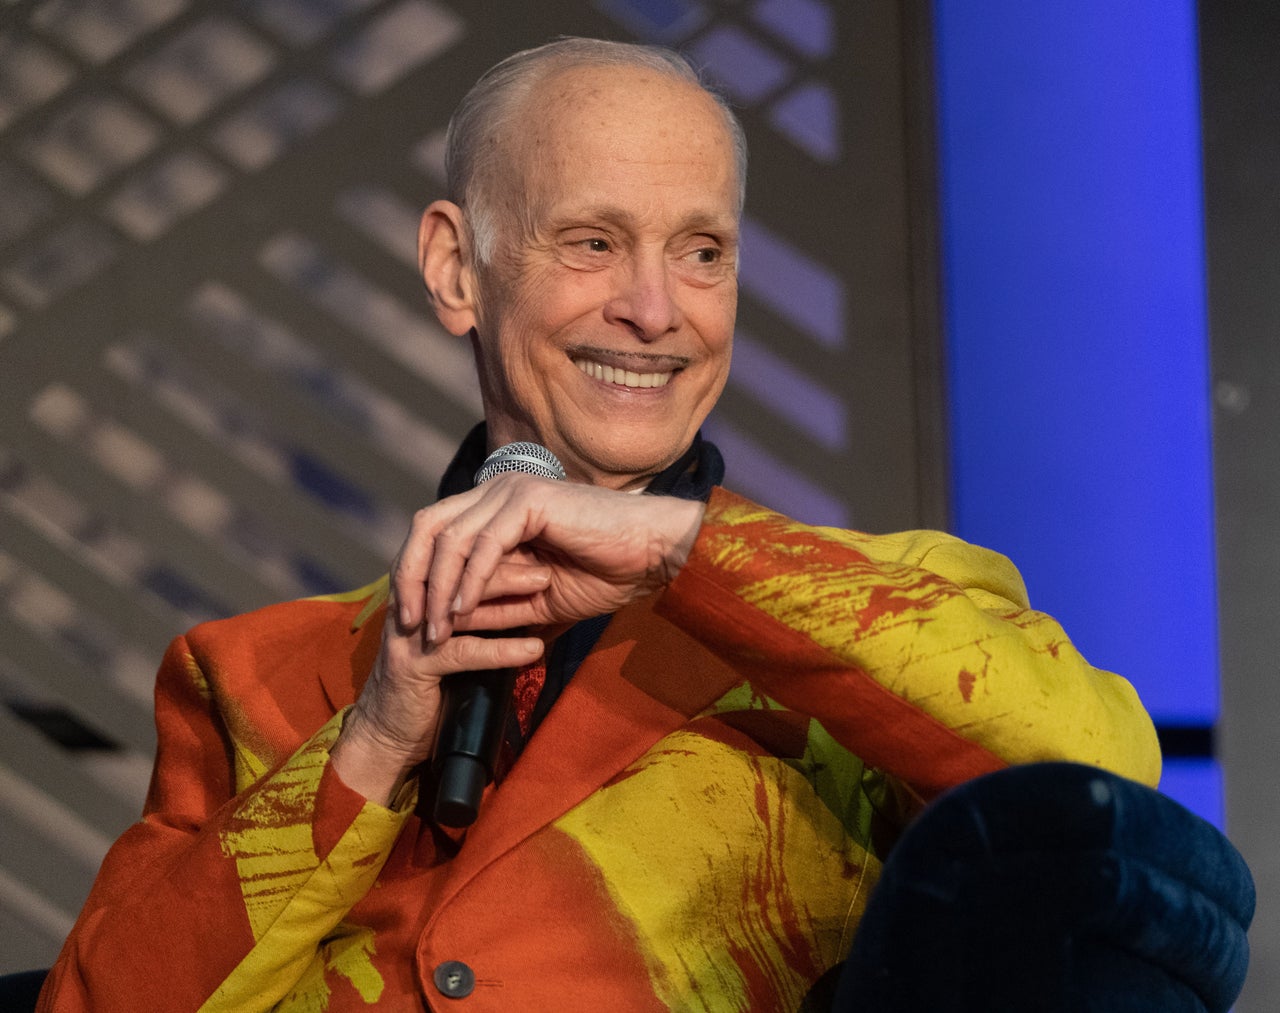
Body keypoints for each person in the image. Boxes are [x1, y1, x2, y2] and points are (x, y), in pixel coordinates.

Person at [36, 37, 1206, 1012]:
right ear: (457, 268)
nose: (652, 310)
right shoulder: (251, 671)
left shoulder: (872, 608)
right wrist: (380, 733)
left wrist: (676, 548)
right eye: (592, 242)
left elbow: (1103, 791)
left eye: (700, 253)